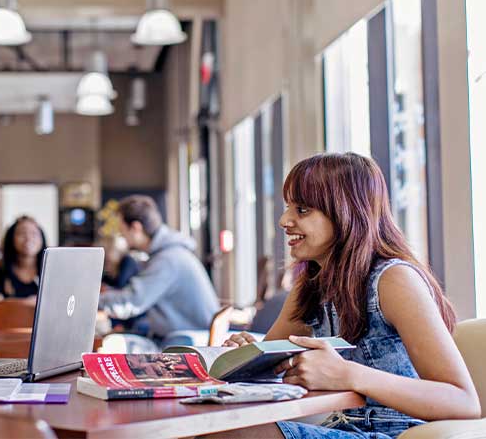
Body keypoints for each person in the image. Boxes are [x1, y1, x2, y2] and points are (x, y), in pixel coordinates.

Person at [223, 153, 480, 438]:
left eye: (303, 210)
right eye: (288, 208)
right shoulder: (311, 284)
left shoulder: (393, 280)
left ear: (346, 213)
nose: (284, 220)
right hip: (341, 426)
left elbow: (463, 402)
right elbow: (267, 368)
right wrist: (245, 358)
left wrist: (348, 374)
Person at [98, 195, 220, 342]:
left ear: (136, 228)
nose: (122, 237)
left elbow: (131, 302)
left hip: (184, 343)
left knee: (108, 345)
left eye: (123, 231)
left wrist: (90, 302)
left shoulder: (168, 260)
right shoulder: (172, 253)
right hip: (182, 335)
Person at [0, 215, 46, 302]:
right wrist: (26, 303)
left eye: (34, 233)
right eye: (22, 233)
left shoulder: (50, 271)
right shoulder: (0, 271)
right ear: (11, 239)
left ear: (42, 239)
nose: (28, 238)